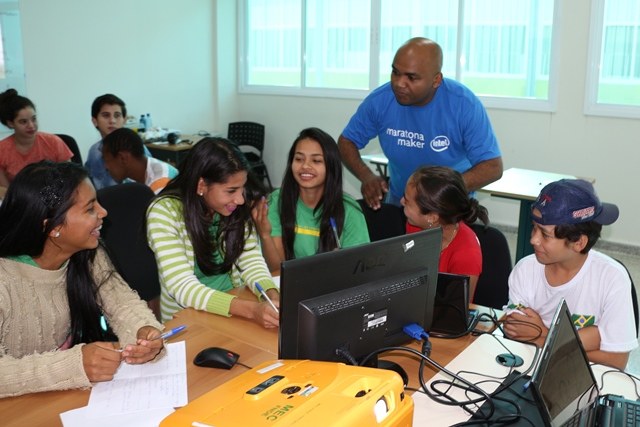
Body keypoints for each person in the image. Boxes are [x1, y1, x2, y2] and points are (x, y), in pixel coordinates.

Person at [0, 161, 164, 398]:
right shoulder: (6, 279)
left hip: (63, 396)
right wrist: (73, 365)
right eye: (90, 209)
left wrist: (143, 332)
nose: (104, 212)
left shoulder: (88, 253)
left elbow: (122, 303)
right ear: (52, 227)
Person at [338, 37, 503, 210]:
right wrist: (366, 176)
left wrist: (441, 191)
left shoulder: (463, 104)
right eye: (395, 72)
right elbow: (346, 141)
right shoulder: (381, 101)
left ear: (436, 80)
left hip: (450, 203)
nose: (399, 83)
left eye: (411, 77)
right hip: (400, 200)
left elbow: (492, 167)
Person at [504, 179, 637, 370]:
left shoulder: (612, 278)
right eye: (534, 227)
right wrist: (590, 337)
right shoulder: (525, 269)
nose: (533, 239)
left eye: (545, 234)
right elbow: (515, 332)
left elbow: (616, 361)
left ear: (579, 243)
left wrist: (544, 336)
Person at [146, 137, 279, 327]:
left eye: (242, 188)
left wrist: (271, 294)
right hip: (188, 317)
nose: (240, 199)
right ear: (201, 186)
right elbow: (182, 288)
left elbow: (251, 260)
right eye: (231, 190)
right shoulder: (164, 212)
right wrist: (251, 311)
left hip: (235, 306)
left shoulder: (232, 208)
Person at [252, 127, 370, 274]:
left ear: (331, 166)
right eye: (299, 159)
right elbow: (277, 270)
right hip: (291, 285)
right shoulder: (277, 201)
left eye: (316, 160)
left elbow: (359, 269)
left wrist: (339, 264)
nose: (305, 166)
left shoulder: (349, 210)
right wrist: (264, 235)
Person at [401, 166, 487, 300]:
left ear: (432, 217)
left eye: (406, 201)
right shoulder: (416, 226)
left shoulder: (466, 254)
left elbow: (457, 310)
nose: (401, 202)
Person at [0, 89, 72, 191]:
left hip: (57, 198)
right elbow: (5, 191)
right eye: (23, 122)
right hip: (21, 202)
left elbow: (71, 178)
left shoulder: (54, 142)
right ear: (10, 123)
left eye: (34, 119)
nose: (31, 126)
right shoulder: (2, 150)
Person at [85, 93, 151, 190]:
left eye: (117, 115)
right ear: (95, 121)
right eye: (106, 115)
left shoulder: (136, 149)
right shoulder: (94, 151)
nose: (112, 121)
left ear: (124, 120)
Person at [102, 127, 178, 194]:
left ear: (122, 158)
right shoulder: (132, 177)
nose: (106, 167)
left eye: (107, 160)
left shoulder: (161, 183)